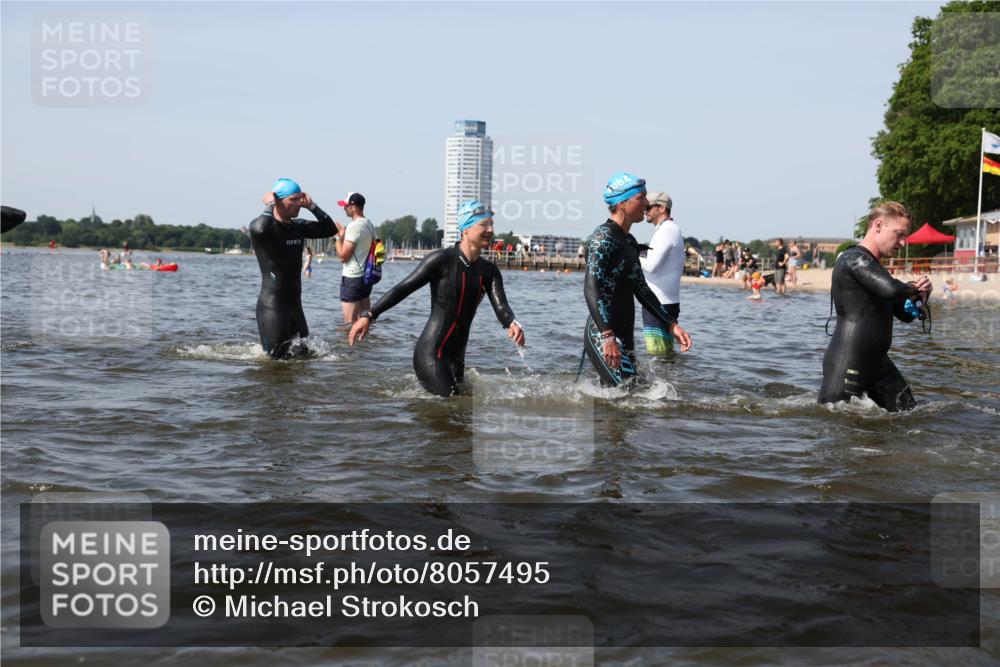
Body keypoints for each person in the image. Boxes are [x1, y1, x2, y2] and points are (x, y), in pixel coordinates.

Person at [349, 200, 525, 397]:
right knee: (452, 405)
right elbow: (403, 288)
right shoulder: (442, 260)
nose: (490, 230)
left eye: (491, 224)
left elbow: (501, 306)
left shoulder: (489, 271)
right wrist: (369, 315)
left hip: (457, 359)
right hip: (430, 354)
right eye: (483, 225)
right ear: (465, 229)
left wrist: (512, 322)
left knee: (462, 417)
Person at [818, 202, 932, 412]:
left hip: (877, 364)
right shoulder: (853, 259)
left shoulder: (875, 268)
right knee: (836, 425)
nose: (903, 242)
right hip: (848, 361)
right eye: (899, 234)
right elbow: (891, 290)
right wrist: (913, 287)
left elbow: (904, 314)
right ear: (878, 225)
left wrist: (921, 297)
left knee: (911, 414)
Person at [582, 173, 692, 387]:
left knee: (632, 398)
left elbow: (641, 289)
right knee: (623, 399)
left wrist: (671, 325)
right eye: (641, 197)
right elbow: (591, 289)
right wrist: (607, 336)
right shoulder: (602, 239)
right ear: (622, 203)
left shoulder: (629, 242)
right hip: (603, 332)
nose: (646, 203)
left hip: (624, 335)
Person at [250, 178, 336, 358]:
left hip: (295, 307)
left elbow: (330, 229)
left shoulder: (299, 227)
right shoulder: (267, 227)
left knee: (303, 357)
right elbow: (258, 228)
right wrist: (269, 206)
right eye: (293, 200)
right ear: (278, 200)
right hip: (272, 307)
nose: (298, 204)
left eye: (300, 199)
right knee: (274, 362)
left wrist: (312, 206)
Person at [639, 191, 685, 355]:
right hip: (664, 301)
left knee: (657, 354)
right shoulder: (668, 229)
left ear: (662, 208)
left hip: (659, 302)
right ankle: (669, 380)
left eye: (648, 207)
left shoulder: (667, 230)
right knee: (665, 355)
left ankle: (663, 381)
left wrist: (628, 255)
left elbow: (651, 266)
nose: (645, 210)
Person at [334, 192, 377, 323]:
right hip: (366, 278)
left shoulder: (354, 226)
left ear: (353, 206)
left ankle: (347, 345)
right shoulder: (369, 224)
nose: (344, 208)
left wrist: (337, 237)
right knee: (364, 322)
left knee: (349, 324)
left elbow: (343, 257)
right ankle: (365, 344)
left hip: (353, 278)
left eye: (346, 206)